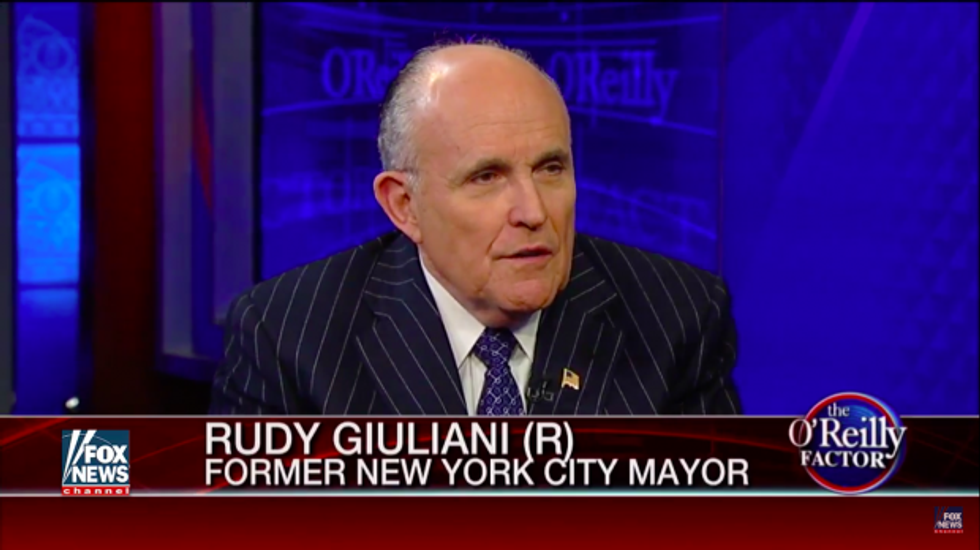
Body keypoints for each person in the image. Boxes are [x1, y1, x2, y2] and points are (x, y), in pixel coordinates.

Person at [209, 39, 742, 416]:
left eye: (550, 168)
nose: (533, 211)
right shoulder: (288, 337)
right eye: (487, 177)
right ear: (404, 206)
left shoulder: (675, 317)